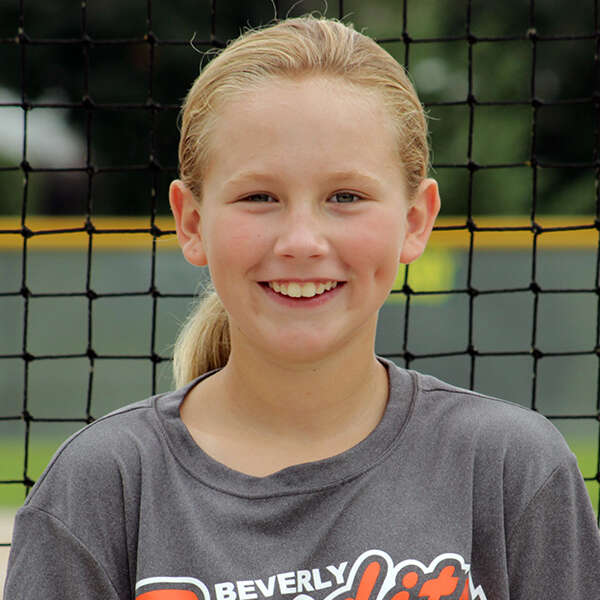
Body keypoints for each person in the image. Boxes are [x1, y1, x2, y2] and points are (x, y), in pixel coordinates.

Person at [4, 15, 600, 600]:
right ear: (191, 222)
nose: (301, 242)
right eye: (259, 196)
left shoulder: (511, 468)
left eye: (346, 196)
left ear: (416, 220)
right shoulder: (101, 487)